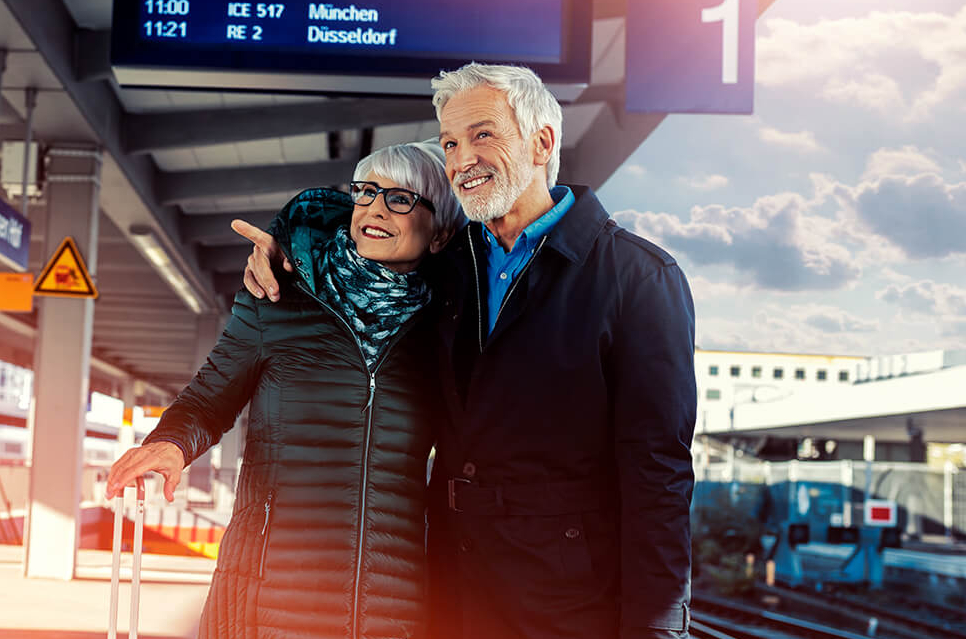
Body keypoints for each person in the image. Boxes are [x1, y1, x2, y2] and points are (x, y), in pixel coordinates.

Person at [235, 63, 698, 639]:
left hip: (568, 608)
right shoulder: (447, 264)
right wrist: (288, 252)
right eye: (451, 143)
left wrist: (658, 626)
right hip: (449, 593)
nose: (461, 160)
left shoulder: (638, 278)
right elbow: (368, 238)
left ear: (542, 143)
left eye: (482, 135)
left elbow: (658, 473)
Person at [104, 142, 466, 639]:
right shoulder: (278, 296)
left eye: (400, 199)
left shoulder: (445, 329)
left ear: (440, 232)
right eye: (365, 192)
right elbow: (211, 395)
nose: (375, 209)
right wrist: (171, 443)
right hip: (268, 592)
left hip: (393, 604)